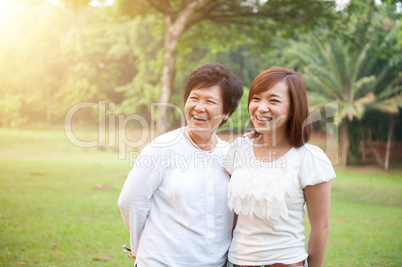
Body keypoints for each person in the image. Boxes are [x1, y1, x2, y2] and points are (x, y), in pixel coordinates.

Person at [118, 63, 243, 267]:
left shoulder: (229, 154)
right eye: (194, 98)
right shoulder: (162, 148)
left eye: (210, 101)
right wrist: (142, 246)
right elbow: (131, 201)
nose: (199, 107)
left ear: (227, 112)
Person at [225, 67, 336, 267]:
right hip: (237, 262)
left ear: (294, 107)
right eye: (256, 98)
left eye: (273, 100)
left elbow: (321, 227)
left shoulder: (310, 158)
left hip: (285, 262)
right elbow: (234, 214)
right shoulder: (239, 149)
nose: (261, 107)